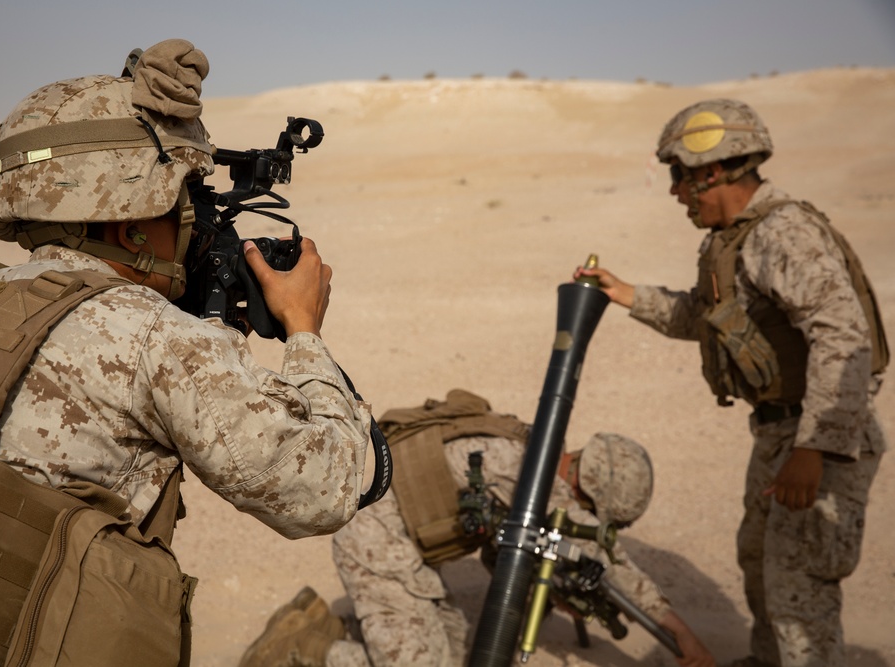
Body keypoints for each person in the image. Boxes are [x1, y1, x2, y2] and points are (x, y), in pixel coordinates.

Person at [0, 39, 374, 667]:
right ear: (130, 225)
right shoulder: (148, 334)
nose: (195, 226)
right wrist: (305, 332)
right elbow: (325, 488)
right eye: (183, 204)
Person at [574, 99, 889, 667]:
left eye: (678, 176)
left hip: (817, 438)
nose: (675, 193)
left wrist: (814, 449)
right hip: (781, 435)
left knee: (801, 593)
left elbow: (843, 337)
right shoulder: (735, 241)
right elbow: (703, 319)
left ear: (711, 172)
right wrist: (624, 293)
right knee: (764, 572)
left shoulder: (782, 232)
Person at [241, 389, 716, 667]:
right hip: (377, 549)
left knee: (452, 650)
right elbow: (611, 564)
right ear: (594, 493)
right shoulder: (535, 478)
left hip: (400, 541)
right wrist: (683, 634)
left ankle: (325, 620)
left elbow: (501, 551)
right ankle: (305, 647)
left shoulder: (529, 449)